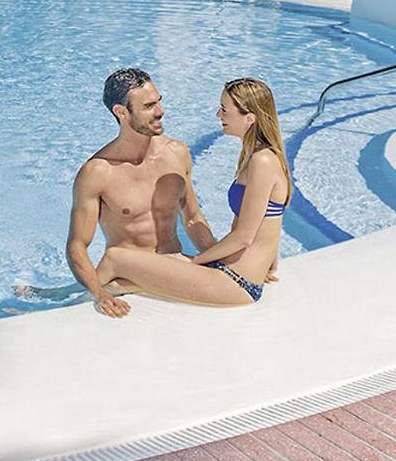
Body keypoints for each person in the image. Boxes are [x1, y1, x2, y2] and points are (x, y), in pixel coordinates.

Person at [90, 77, 291, 313]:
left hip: (235, 282)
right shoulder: (255, 155)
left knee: (115, 258)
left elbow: (244, 237)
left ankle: (66, 305)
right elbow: (269, 220)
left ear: (250, 118)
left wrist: (195, 261)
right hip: (230, 272)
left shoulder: (262, 161)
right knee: (126, 279)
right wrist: (269, 262)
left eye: (225, 109)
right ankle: (88, 294)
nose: (219, 114)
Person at [66, 69, 216, 317]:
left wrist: (220, 258)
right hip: (127, 277)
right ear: (121, 112)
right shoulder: (97, 173)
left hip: (173, 264)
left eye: (158, 101)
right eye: (148, 106)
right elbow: (77, 245)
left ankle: (59, 293)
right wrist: (99, 294)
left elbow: (192, 217)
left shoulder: (176, 153)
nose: (160, 111)